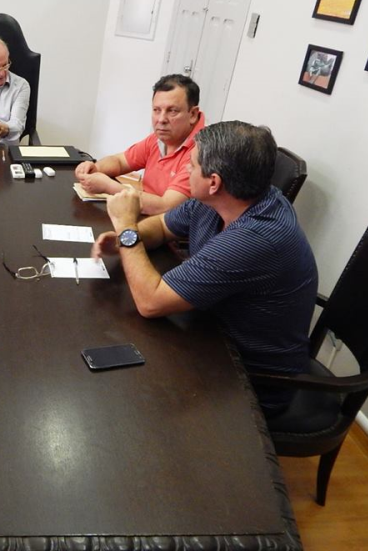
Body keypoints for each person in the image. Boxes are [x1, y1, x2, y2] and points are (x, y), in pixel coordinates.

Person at [92, 121, 318, 416]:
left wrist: (126, 228)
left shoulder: (255, 238)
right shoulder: (225, 198)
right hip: (210, 334)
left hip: (248, 378)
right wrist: (130, 240)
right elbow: (162, 225)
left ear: (214, 181)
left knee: (128, 404)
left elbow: (150, 302)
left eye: (192, 165)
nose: (185, 170)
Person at [75, 74, 206, 215]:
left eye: (172, 111)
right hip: (147, 217)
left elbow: (165, 207)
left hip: (170, 229)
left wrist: (108, 186)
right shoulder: (159, 138)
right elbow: (119, 161)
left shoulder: (201, 151)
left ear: (192, 114)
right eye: (156, 110)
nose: (161, 119)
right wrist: (95, 168)